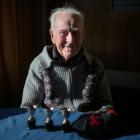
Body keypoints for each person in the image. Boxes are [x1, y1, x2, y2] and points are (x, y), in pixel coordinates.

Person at [21, 6, 113, 112]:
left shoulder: (95, 65)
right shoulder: (39, 64)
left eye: (76, 32)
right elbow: (28, 108)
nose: (70, 40)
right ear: (52, 36)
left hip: (87, 124)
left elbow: (107, 106)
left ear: (82, 35)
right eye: (63, 32)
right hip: (52, 124)